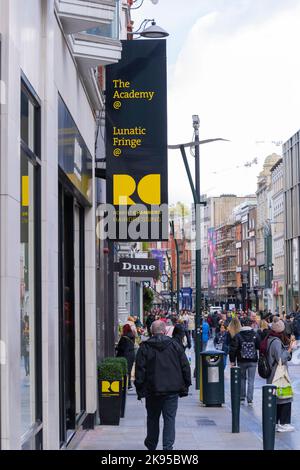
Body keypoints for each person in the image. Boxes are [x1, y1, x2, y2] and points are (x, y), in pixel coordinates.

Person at [135, 320, 191, 451]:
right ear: (165, 331)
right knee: (169, 419)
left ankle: (151, 444)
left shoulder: (145, 347)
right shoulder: (175, 346)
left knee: (152, 418)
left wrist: (140, 387)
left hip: (152, 389)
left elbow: (140, 370)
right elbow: (185, 366)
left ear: (151, 332)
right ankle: (167, 447)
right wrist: (185, 384)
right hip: (171, 390)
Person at [265, 317, 297, 432]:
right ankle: (283, 423)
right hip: (278, 375)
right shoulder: (276, 342)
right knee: (285, 398)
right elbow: (281, 359)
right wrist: (289, 350)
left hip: (273, 375)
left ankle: (277, 422)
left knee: (278, 399)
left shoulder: (270, 339)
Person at [229, 317, 260, 405]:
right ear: (251, 324)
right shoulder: (255, 334)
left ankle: (242, 397)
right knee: (251, 380)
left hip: (241, 360)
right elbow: (259, 346)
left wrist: (232, 361)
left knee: (242, 379)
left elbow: (233, 349)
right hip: (253, 360)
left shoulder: (238, 335)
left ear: (242, 325)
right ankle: (250, 400)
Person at [116, 324, 135, 389]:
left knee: (125, 370)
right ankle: (129, 384)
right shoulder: (132, 336)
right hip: (132, 354)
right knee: (129, 370)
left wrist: (116, 347)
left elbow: (121, 348)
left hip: (125, 355)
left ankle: (126, 384)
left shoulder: (124, 338)